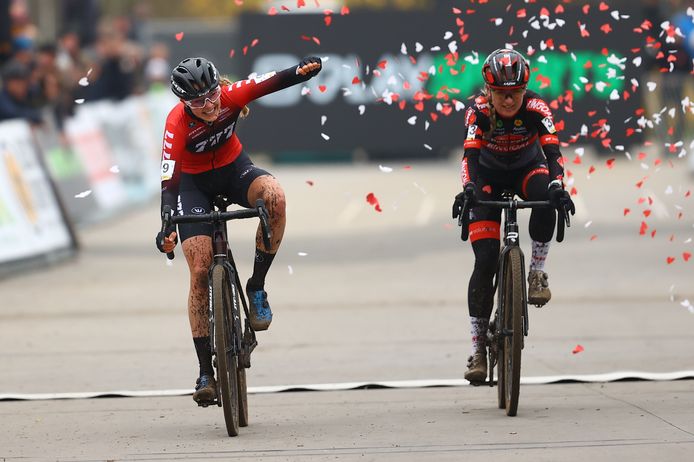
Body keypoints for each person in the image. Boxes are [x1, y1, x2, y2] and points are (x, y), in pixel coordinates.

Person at [155, 55, 322, 405]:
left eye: (212, 95)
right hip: (192, 187)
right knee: (200, 270)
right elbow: (169, 178)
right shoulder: (176, 123)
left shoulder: (231, 96)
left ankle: (256, 286)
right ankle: (205, 371)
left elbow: (271, 81)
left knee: (274, 198)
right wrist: (166, 222)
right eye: (198, 102)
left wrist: (301, 71)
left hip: (234, 171)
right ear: (183, 103)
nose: (209, 105)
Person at [451, 49, 574, 383]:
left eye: (515, 93)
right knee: (485, 260)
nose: (508, 100)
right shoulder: (477, 111)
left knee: (547, 197)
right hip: (487, 177)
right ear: (489, 90)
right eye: (501, 94)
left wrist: (558, 185)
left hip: (526, 169)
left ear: (524, 89)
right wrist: (468, 188)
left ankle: (536, 273)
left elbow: (553, 153)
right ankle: (478, 350)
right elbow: (469, 158)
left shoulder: (537, 107)